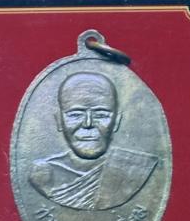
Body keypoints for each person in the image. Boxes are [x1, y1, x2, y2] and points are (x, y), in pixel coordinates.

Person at [29, 72, 158, 210]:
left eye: (101, 114)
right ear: (59, 120)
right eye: (76, 114)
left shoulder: (136, 169)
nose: (88, 123)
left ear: (116, 121)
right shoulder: (44, 175)